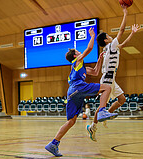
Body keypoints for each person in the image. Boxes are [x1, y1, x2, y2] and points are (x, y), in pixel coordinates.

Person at [45, 27, 118, 157]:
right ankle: (102, 111)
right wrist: (92, 36)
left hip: (72, 93)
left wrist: (100, 59)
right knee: (107, 88)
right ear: (75, 55)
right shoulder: (76, 61)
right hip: (78, 87)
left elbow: (95, 72)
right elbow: (89, 49)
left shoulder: (81, 67)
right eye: (78, 52)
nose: (80, 52)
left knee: (71, 121)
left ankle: (53, 143)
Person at [94, 5, 140, 129]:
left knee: (122, 100)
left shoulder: (110, 47)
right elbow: (121, 30)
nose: (111, 36)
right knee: (101, 105)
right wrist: (125, 13)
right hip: (107, 78)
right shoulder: (111, 45)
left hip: (111, 78)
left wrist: (132, 33)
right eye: (108, 36)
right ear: (105, 40)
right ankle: (93, 125)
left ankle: (106, 114)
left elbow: (123, 44)